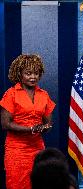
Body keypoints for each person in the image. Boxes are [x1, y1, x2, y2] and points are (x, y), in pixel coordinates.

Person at [0, 54, 56, 189]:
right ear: (20, 74)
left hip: (38, 149)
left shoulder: (44, 95)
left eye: (36, 73)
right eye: (28, 73)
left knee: (40, 184)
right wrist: (30, 129)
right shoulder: (11, 94)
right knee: (17, 185)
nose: (33, 77)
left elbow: (48, 123)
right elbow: (5, 124)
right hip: (16, 150)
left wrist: (45, 127)